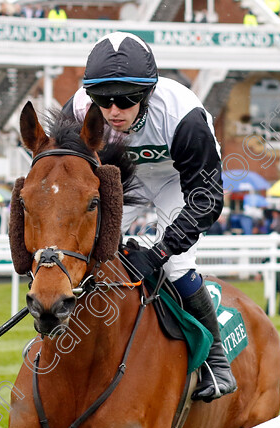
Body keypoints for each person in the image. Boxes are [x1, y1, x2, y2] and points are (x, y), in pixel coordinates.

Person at [63, 32, 235, 402]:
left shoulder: (183, 116)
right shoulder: (77, 112)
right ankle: (63, 339)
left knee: (175, 266)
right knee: (86, 252)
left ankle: (216, 361)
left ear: (149, 92)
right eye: (103, 100)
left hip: (180, 180)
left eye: (126, 99)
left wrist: (158, 252)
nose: (113, 111)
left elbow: (206, 202)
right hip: (124, 177)